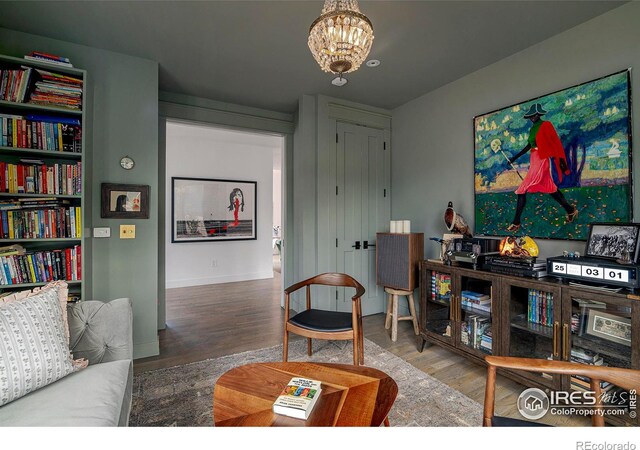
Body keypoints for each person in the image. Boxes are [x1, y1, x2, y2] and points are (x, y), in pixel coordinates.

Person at [506, 103, 577, 232]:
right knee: (551, 188)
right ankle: (570, 210)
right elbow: (529, 145)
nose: (532, 118)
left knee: (522, 189)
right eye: (530, 116)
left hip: (542, 159)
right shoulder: (532, 129)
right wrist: (514, 158)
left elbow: (555, 142)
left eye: (534, 115)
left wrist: (560, 160)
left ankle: (516, 222)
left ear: (539, 114)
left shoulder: (546, 125)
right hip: (534, 159)